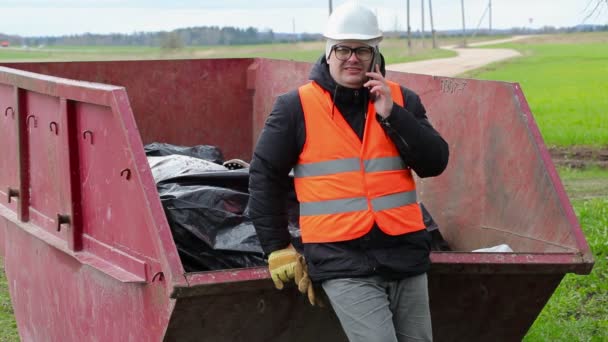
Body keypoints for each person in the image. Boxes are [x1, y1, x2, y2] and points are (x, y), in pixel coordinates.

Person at [248, 2, 449, 341]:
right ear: (328, 52)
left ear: (376, 55)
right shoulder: (295, 107)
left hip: (405, 254)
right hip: (341, 258)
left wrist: (392, 114)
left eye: (362, 50)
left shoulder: (402, 100)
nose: (352, 58)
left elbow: (435, 162)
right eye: (343, 49)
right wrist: (277, 246)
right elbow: (264, 177)